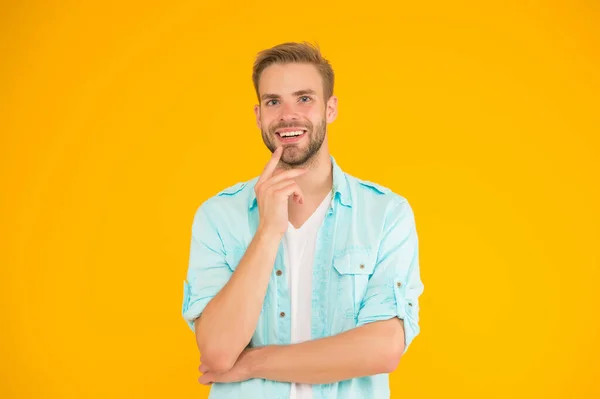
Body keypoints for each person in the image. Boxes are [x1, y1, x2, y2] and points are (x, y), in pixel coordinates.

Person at [182, 41, 424, 399]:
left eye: (304, 99)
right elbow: (217, 352)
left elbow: (383, 348)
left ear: (330, 109)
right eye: (273, 101)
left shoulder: (385, 213)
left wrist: (251, 363)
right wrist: (268, 232)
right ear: (258, 115)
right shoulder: (218, 217)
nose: (287, 115)